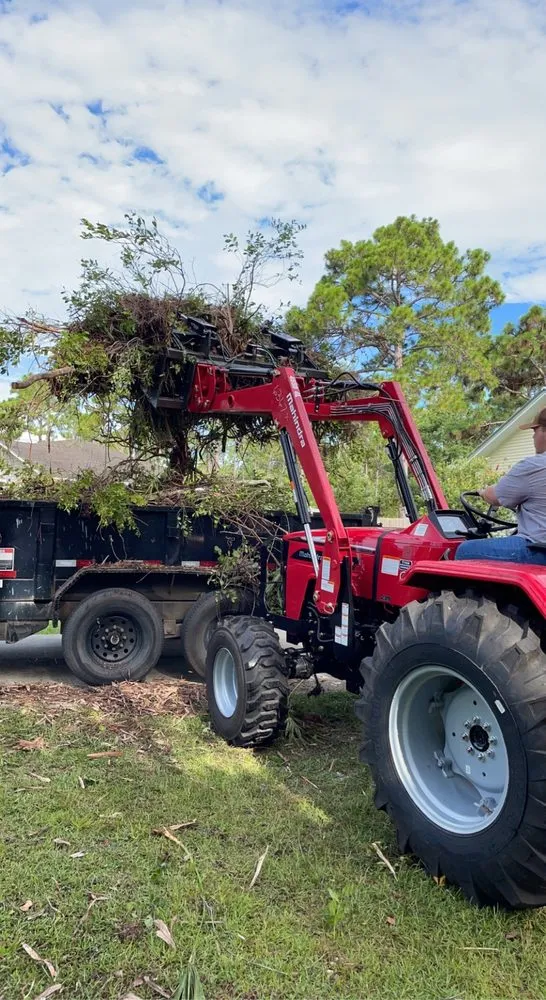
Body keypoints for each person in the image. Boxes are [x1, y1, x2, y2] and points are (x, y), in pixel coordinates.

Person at [455, 406, 546, 565]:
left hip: (538, 550)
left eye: (535, 431)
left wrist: (483, 492)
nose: (533, 436)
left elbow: (495, 496)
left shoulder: (533, 466)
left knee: (464, 550)